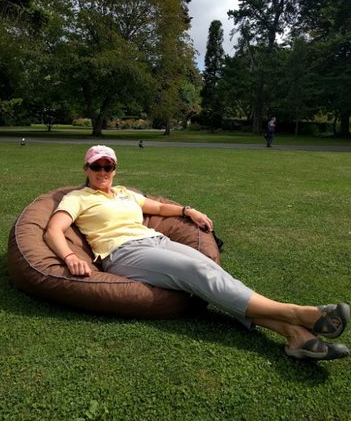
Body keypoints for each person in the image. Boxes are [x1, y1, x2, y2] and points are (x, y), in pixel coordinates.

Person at [44, 145, 350, 361]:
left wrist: (189, 211)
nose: (102, 171)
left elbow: (160, 207)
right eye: (96, 166)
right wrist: (70, 257)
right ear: (85, 169)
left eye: (107, 166)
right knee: (199, 273)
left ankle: (295, 336)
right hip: (122, 253)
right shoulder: (78, 197)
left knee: (211, 270)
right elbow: (53, 230)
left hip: (155, 241)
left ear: (115, 168)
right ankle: (299, 313)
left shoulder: (125, 193)